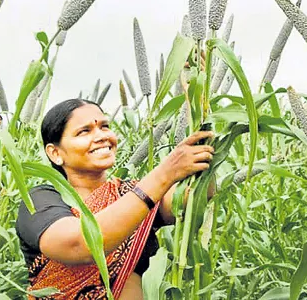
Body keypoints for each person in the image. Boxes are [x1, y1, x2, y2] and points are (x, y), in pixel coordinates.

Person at [15, 98, 215, 299]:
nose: (101, 136)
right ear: (55, 153)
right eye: (84, 131)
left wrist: (197, 98)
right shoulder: (39, 200)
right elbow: (78, 244)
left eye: (105, 126)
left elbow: (198, 193)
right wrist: (164, 173)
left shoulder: (131, 194)